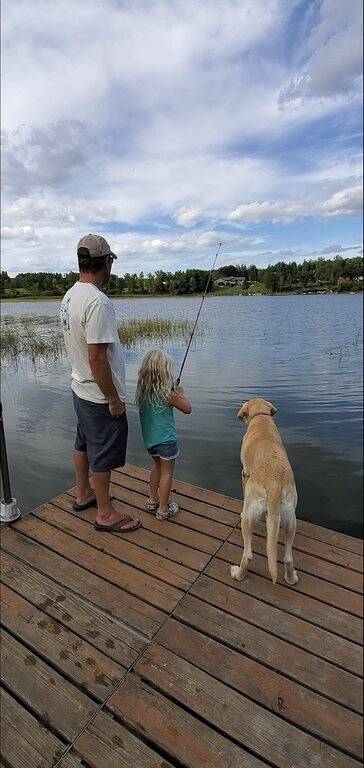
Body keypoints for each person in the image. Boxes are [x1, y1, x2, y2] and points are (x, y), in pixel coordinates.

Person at [60, 233, 140, 532]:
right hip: (98, 396)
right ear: (105, 262)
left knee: (83, 443)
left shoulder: (70, 295)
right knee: (103, 456)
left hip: (79, 389)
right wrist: (113, 398)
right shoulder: (98, 302)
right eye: (110, 261)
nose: (111, 266)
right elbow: (97, 359)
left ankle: (83, 494)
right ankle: (105, 513)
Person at [136, 349, 192, 520]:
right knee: (167, 473)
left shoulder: (143, 392)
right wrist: (180, 393)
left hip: (150, 441)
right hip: (166, 441)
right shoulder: (169, 394)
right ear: (164, 371)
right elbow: (188, 409)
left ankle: (152, 500)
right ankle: (163, 509)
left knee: (157, 467)